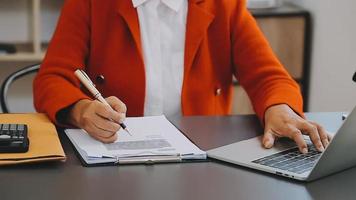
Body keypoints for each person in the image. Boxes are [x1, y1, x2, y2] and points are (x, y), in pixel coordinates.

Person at [33, 0, 330, 154]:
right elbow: (52, 78)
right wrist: (82, 111)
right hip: (113, 155)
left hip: (203, 157)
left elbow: (268, 76)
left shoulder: (224, 4)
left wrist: (278, 109)